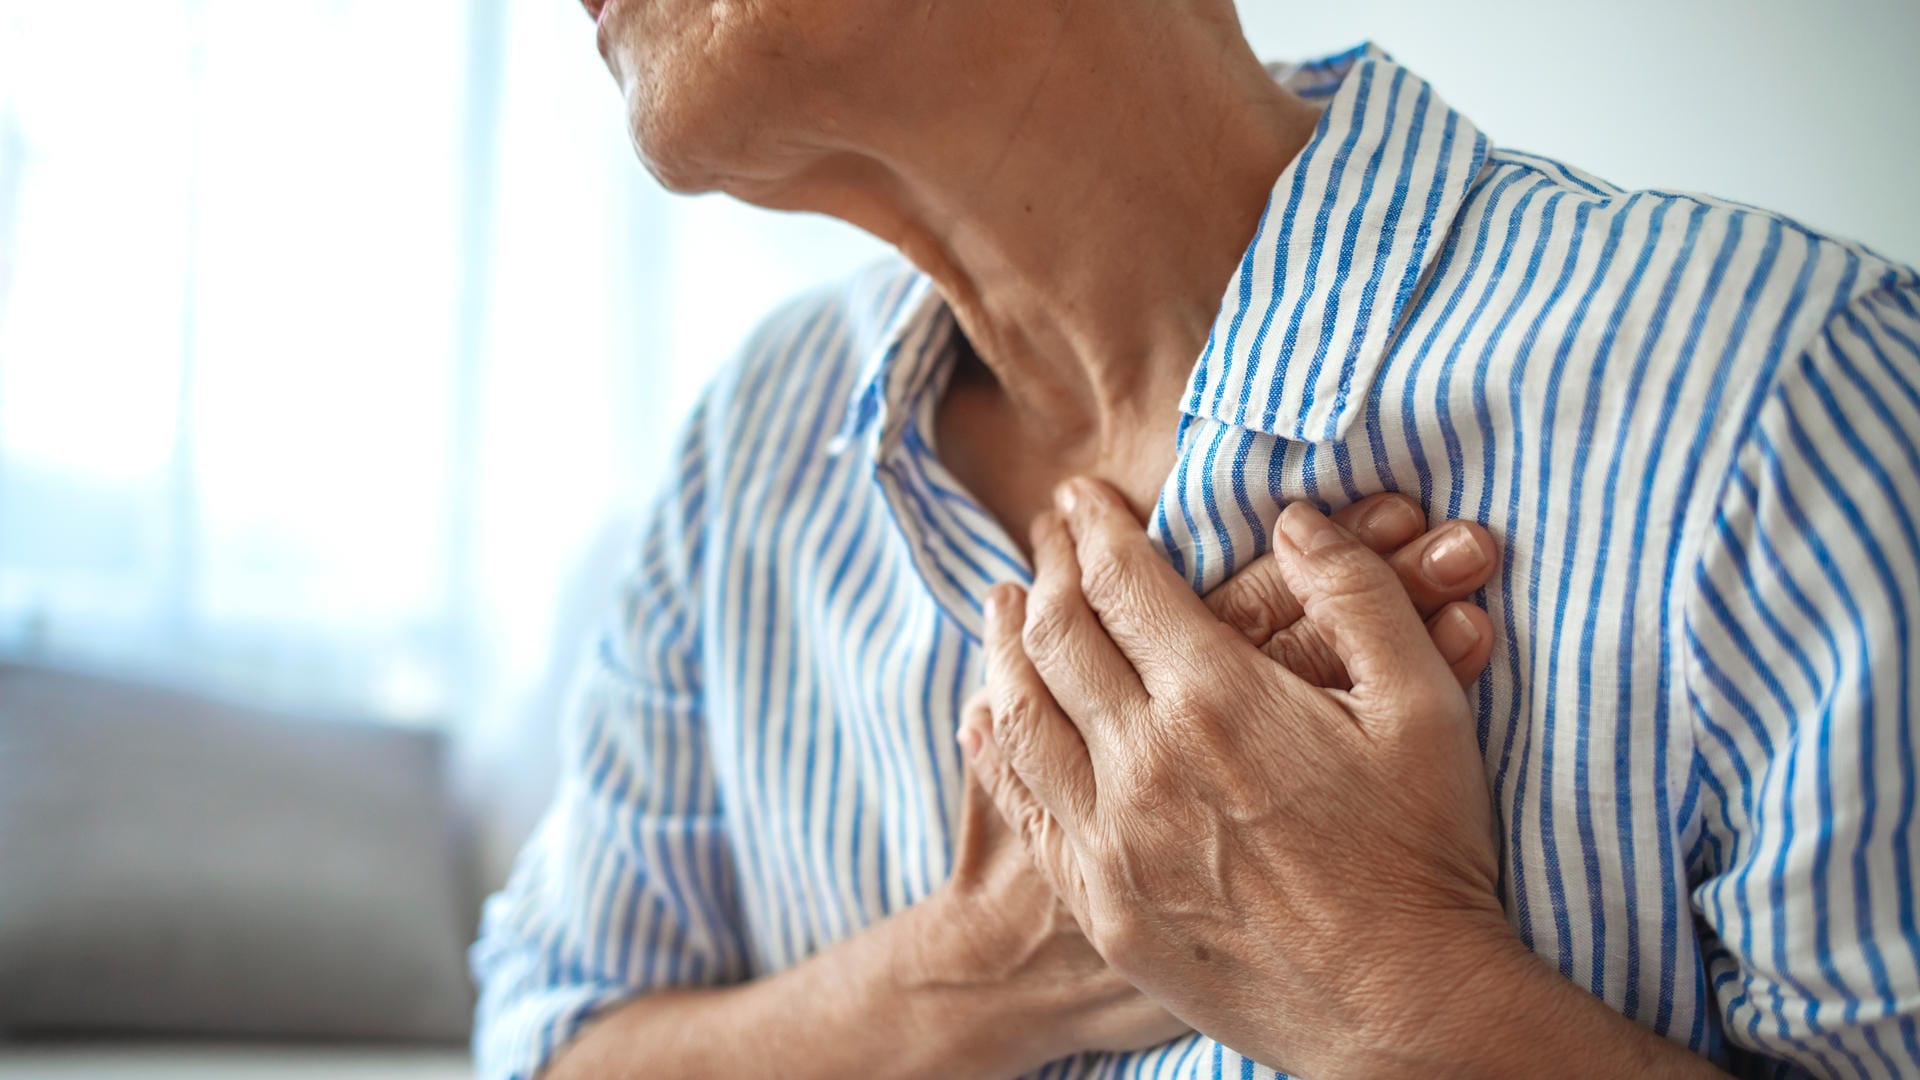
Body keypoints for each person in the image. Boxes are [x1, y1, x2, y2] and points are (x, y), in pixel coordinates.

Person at [470, 0, 1920, 1074]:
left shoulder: (1792, 399)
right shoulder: (749, 445)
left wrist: (1389, 988)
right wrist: (985, 967)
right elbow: (543, 1041)